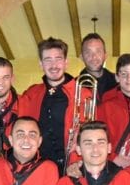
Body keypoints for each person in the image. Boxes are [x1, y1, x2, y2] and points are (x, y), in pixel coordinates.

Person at [19, 37, 91, 176]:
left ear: (66, 63)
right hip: (38, 168)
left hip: (72, 167)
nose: (54, 65)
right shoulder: (31, 93)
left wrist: (76, 161)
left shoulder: (83, 94)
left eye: (58, 59)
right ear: (41, 64)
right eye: (48, 60)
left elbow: (89, 133)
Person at [79, 32, 116, 101]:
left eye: (98, 51)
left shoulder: (118, 82)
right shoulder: (73, 86)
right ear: (82, 57)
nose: (94, 57)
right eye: (88, 52)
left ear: (105, 55)